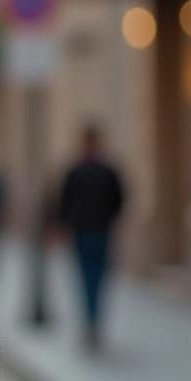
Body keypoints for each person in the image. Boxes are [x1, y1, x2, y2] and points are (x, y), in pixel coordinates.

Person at [57, 122, 125, 353]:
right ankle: (92, 322)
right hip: (92, 232)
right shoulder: (102, 171)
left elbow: (64, 203)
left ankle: (91, 322)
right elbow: (118, 202)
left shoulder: (82, 171)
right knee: (92, 278)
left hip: (92, 232)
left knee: (91, 278)